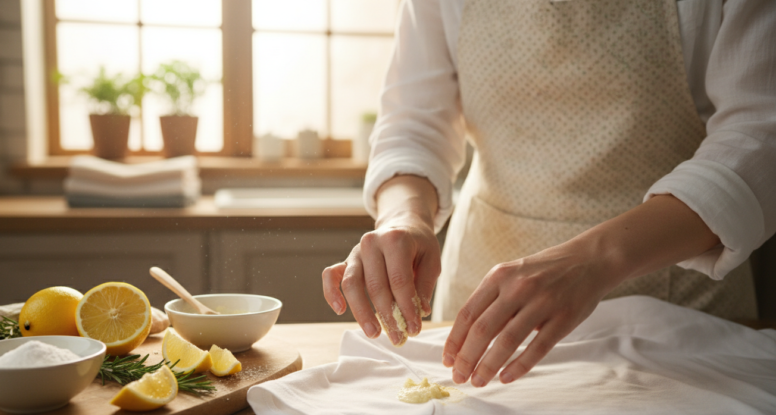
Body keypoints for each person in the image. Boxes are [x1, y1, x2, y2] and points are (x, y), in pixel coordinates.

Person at [322, 0, 776, 388]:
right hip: (482, 303)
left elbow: (759, 133)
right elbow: (413, 125)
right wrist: (405, 218)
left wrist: (595, 260)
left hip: (680, 313)